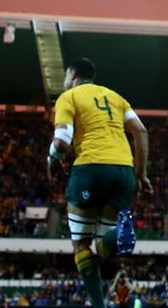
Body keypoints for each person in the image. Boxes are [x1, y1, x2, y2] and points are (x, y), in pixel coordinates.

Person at [48, 57, 151, 308]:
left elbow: (62, 141)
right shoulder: (116, 97)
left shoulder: (69, 97)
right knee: (104, 245)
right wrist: (141, 174)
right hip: (124, 171)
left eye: (65, 76)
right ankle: (117, 234)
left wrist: (52, 160)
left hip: (91, 168)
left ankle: (98, 305)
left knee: (81, 245)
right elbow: (141, 131)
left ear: (73, 75)